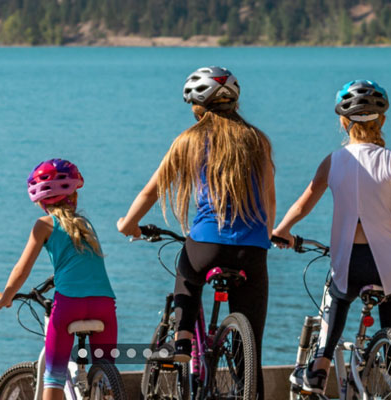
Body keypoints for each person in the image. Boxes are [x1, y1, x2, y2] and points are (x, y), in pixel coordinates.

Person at [117, 66, 275, 398]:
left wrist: (127, 223)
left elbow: (152, 190)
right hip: (253, 250)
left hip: (206, 245)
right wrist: (266, 235)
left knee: (186, 276)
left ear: (197, 106)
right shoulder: (257, 140)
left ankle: (183, 342)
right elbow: (269, 199)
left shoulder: (189, 141)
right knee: (251, 351)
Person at [272, 80, 391, 394]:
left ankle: (320, 366)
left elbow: (303, 203)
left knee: (337, 299)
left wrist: (281, 230)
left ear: (344, 123)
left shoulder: (333, 162)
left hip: (349, 262)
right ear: (382, 120)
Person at [0, 159, 117, 400]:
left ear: (40, 203)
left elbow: (22, 269)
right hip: (104, 305)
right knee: (107, 372)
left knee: (54, 377)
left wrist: (4, 298)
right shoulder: (86, 224)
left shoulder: (43, 225)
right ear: (75, 197)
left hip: (69, 305)